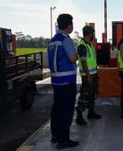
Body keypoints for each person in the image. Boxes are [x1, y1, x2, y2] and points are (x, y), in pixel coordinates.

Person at [47, 14, 79, 149]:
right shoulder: (66, 40)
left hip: (56, 81)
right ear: (69, 26)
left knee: (57, 109)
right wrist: (78, 53)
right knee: (66, 111)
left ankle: (55, 136)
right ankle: (64, 140)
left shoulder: (53, 40)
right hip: (67, 81)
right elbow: (72, 58)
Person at [75, 25, 102, 125]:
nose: (93, 35)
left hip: (93, 74)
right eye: (92, 33)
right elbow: (83, 62)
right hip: (87, 76)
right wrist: (88, 75)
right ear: (89, 34)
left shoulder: (89, 45)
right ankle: (79, 116)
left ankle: (91, 113)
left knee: (92, 95)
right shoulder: (82, 45)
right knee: (85, 96)